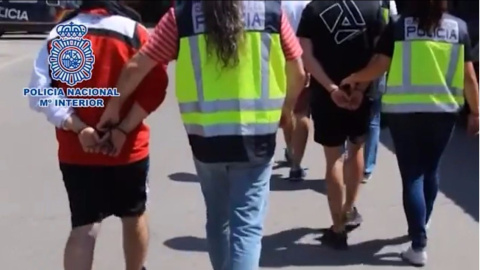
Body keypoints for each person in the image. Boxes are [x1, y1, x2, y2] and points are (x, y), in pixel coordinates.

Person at [97, 1, 305, 269]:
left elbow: (138, 65)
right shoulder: (270, 11)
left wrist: (114, 106)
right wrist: (286, 109)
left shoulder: (182, 15)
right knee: (247, 227)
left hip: (206, 138)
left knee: (218, 219)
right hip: (257, 138)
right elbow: (298, 71)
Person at [27, 1, 168, 269]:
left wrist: (79, 127)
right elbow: (156, 85)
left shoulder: (60, 33)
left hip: (77, 150)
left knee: (84, 225)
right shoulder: (134, 31)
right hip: (126, 149)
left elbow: (39, 91)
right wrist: (124, 128)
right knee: (134, 214)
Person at [341, 0, 479, 266]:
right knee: (431, 170)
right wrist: (476, 112)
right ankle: (421, 224)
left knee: (412, 175)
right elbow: (469, 77)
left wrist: (355, 78)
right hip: (443, 112)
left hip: (404, 113)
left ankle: (418, 243)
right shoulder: (459, 28)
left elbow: (379, 64)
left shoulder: (399, 25)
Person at [297, 0, 386, 249]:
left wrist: (331, 88)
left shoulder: (314, 9)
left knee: (333, 159)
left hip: (326, 96)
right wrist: (360, 87)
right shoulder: (373, 7)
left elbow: (306, 54)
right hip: (361, 94)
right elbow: (380, 55)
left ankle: (337, 228)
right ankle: (348, 210)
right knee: (356, 149)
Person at [362, 0, 398, 183]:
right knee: (373, 119)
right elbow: (395, 26)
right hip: (379, 60)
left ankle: (348, 160)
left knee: (349, 112)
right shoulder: (387, 2)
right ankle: (366, 167)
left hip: (355, 58)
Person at [281, 0, 311, 181]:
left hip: (280, 58)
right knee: (302, 112)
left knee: (288, 107)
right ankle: (296, 164)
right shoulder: (308, 3)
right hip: (304, 57)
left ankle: (291, 151)